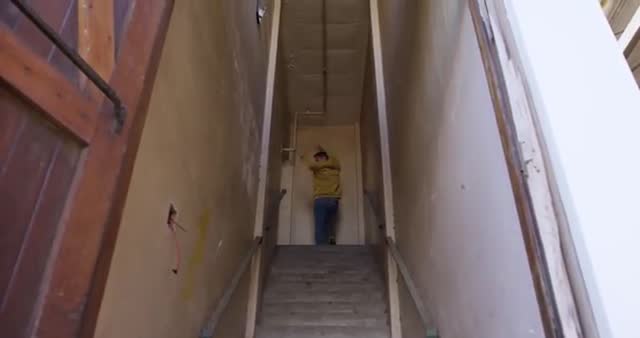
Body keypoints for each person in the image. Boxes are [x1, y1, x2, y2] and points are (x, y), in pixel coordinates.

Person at [302, 145, 342, 245]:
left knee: (320, 226)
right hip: (334, 201)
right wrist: (323, 152)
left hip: (321, 199)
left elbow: (309, 165)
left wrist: (303, 157)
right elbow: (332, 160)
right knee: (330, 224)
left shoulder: (317, 168)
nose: (316, 161)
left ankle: (320, 250)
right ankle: (331, 240)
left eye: (317, 159)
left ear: (321, 158)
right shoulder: (335, 167)